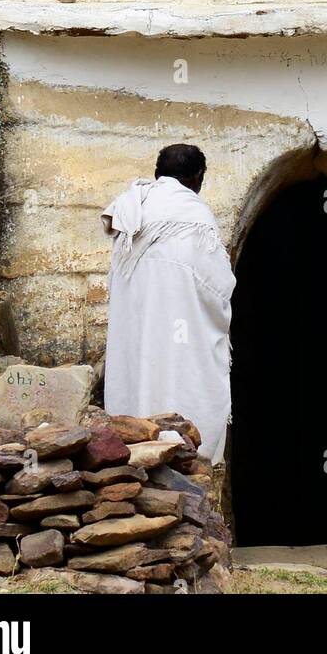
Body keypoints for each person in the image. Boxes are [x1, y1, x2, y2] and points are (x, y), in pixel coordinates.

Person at [101, 143, 235, 464]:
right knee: (177, 389)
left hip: (136, 334)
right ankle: (182, 448)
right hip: (181, 339)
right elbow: (217, 289)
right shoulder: (194, 215)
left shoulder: (131, 211)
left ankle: (134, 442)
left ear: (158, 173)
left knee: (139, 386)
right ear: (197, 177)